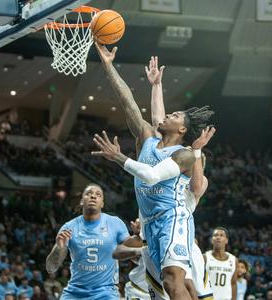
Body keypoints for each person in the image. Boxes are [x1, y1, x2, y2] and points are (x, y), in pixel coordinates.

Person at [95, 42, 214, 300]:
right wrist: (108, 66)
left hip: (173, 219)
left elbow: (151, 175)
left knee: (174, 283)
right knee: (165, 292)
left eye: (175, 116)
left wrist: (119, 157)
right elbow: (128, 103)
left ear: (182, 130)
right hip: (149, 226)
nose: (168, 115)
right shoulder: (147, 138)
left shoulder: (184, 155)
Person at [45, 184, 132, 300]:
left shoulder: (115, 223)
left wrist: (139, 238)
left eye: (98, 194)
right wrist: (59, 247)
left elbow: (132, 252)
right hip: (75, 292)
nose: (93, 196)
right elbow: (51, 268)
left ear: (102, 204)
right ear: (81, 201)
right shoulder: (69, 227)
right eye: (88, 194)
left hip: (106, 292)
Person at [204, 227, 238, 300]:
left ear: (226, 240)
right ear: (212, 240)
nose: (218, 237)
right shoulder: (205, 258)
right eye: (215, 235)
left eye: (221, 235)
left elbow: (233, 283)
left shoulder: (234, 260)